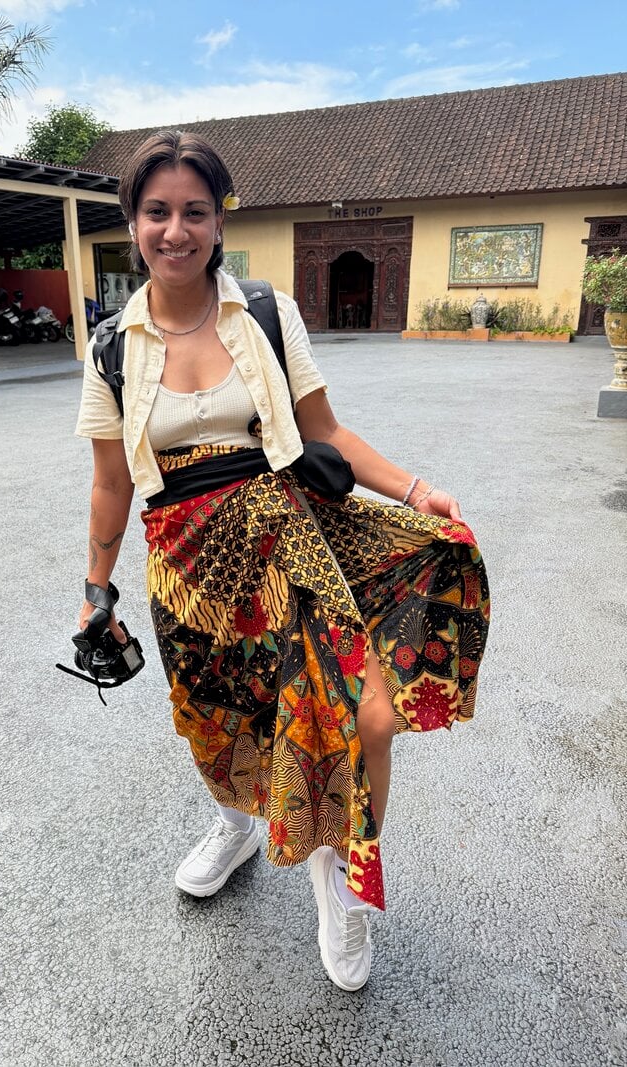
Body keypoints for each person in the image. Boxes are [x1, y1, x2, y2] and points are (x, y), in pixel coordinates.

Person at [75, 130, 489, 992]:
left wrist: (417, 492)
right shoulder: (111, 346)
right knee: (216, 724)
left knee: (353, 715)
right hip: (186, 570)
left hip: (290, 544)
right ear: (132, 221)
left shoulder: (263, 312)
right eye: (158, 212)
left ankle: (336, 874)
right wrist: (93, 589)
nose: (176, 229)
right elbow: (112, 482)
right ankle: (236, 824)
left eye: (195, 211)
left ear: (218, 221)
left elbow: (326, 431)